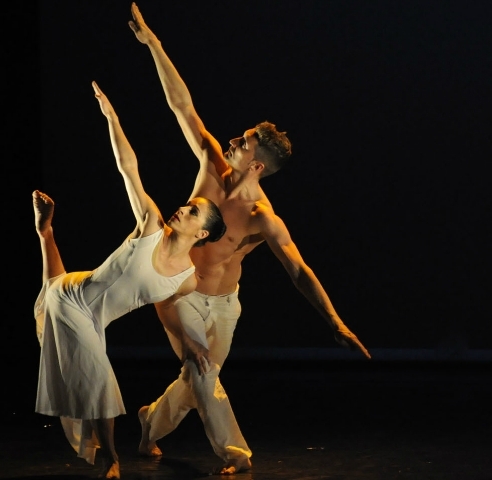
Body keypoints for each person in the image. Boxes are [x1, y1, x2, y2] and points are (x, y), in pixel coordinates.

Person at [128, 3, 371, 475]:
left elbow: (299, 271)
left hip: (224, 305)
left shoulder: (263, 219)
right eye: (238, 138)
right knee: (202, 372)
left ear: (256, 165)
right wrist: (154, 45)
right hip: (179, 291)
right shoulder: (210, 165)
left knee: (196, 380)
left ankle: (150, 423)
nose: (232, 143)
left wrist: (335, 322)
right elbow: (182, 107)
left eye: (243, 144)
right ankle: (236, 454)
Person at [32, 81, 227, 479]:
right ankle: (111, 459)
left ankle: (44, 232)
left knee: (93, 379)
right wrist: (112, 117)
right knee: (100, 381)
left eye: (192, 212)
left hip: (82, 309)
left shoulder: (186, 280)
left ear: (202, 233)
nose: (182, 209)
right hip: (67, 300)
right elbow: (128, 167)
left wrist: (190, 342)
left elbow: (167, 311)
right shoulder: (150, 225)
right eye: (187, 205)